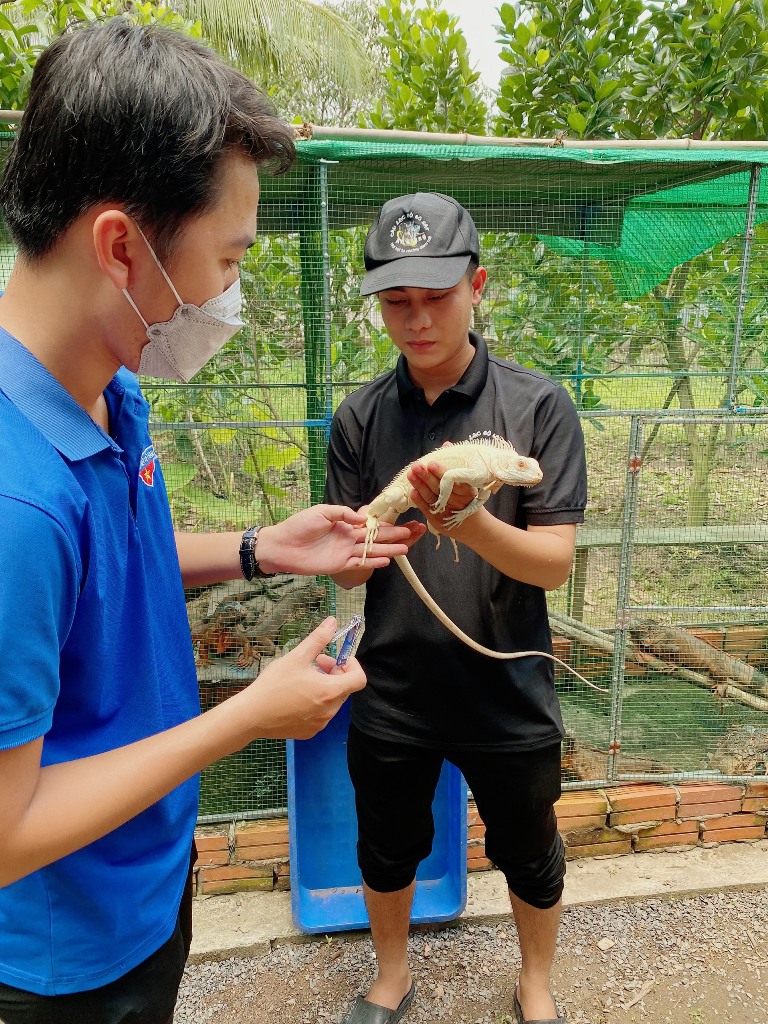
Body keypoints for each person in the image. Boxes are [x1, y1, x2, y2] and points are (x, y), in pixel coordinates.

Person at [0, 19, 414, 1024]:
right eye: (227, 257)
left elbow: (112, 570)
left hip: (146, 879)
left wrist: (256, 549)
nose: (230, 289)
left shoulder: (111, 389)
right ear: (118, 245)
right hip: (62, 957)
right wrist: (246, 716)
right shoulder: (14, 503)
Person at [325, 192, 588, 1024]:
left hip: (506, 688)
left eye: (435, 297)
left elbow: (552, 566)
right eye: (396, 303)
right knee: (386, 845)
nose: (416, 320)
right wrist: (365, 544)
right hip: (393, 687)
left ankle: (535, 984)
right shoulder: (359, 418)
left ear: (479, 287)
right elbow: (346, 562)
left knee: (529, 849)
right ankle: (392, 975)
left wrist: (468, 524)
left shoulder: (538, 409)